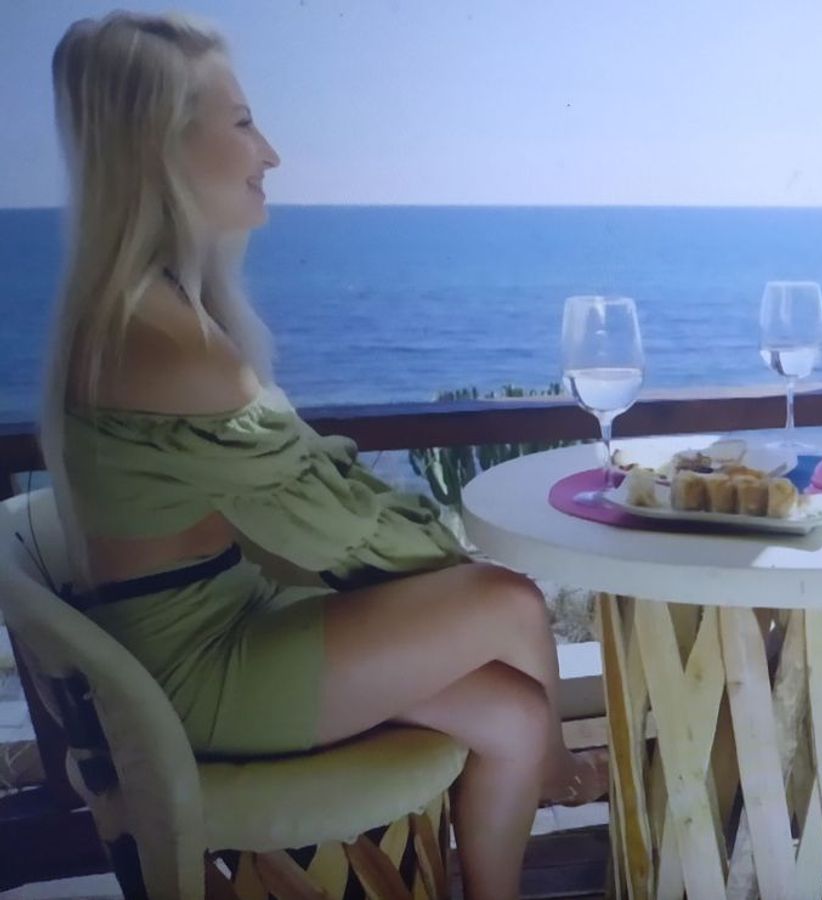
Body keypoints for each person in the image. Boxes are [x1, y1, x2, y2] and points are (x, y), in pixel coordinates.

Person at [38, 13, 603, 899]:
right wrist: (451, 567)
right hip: (192, 676)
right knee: (509, 601)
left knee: (512, 709)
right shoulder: (169, 343)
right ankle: (562, 774)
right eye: (242, 122)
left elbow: (306, 500)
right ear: (159, 147)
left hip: (205, 632)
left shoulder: (141, 313)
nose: (270, 152)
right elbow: (338, 526)